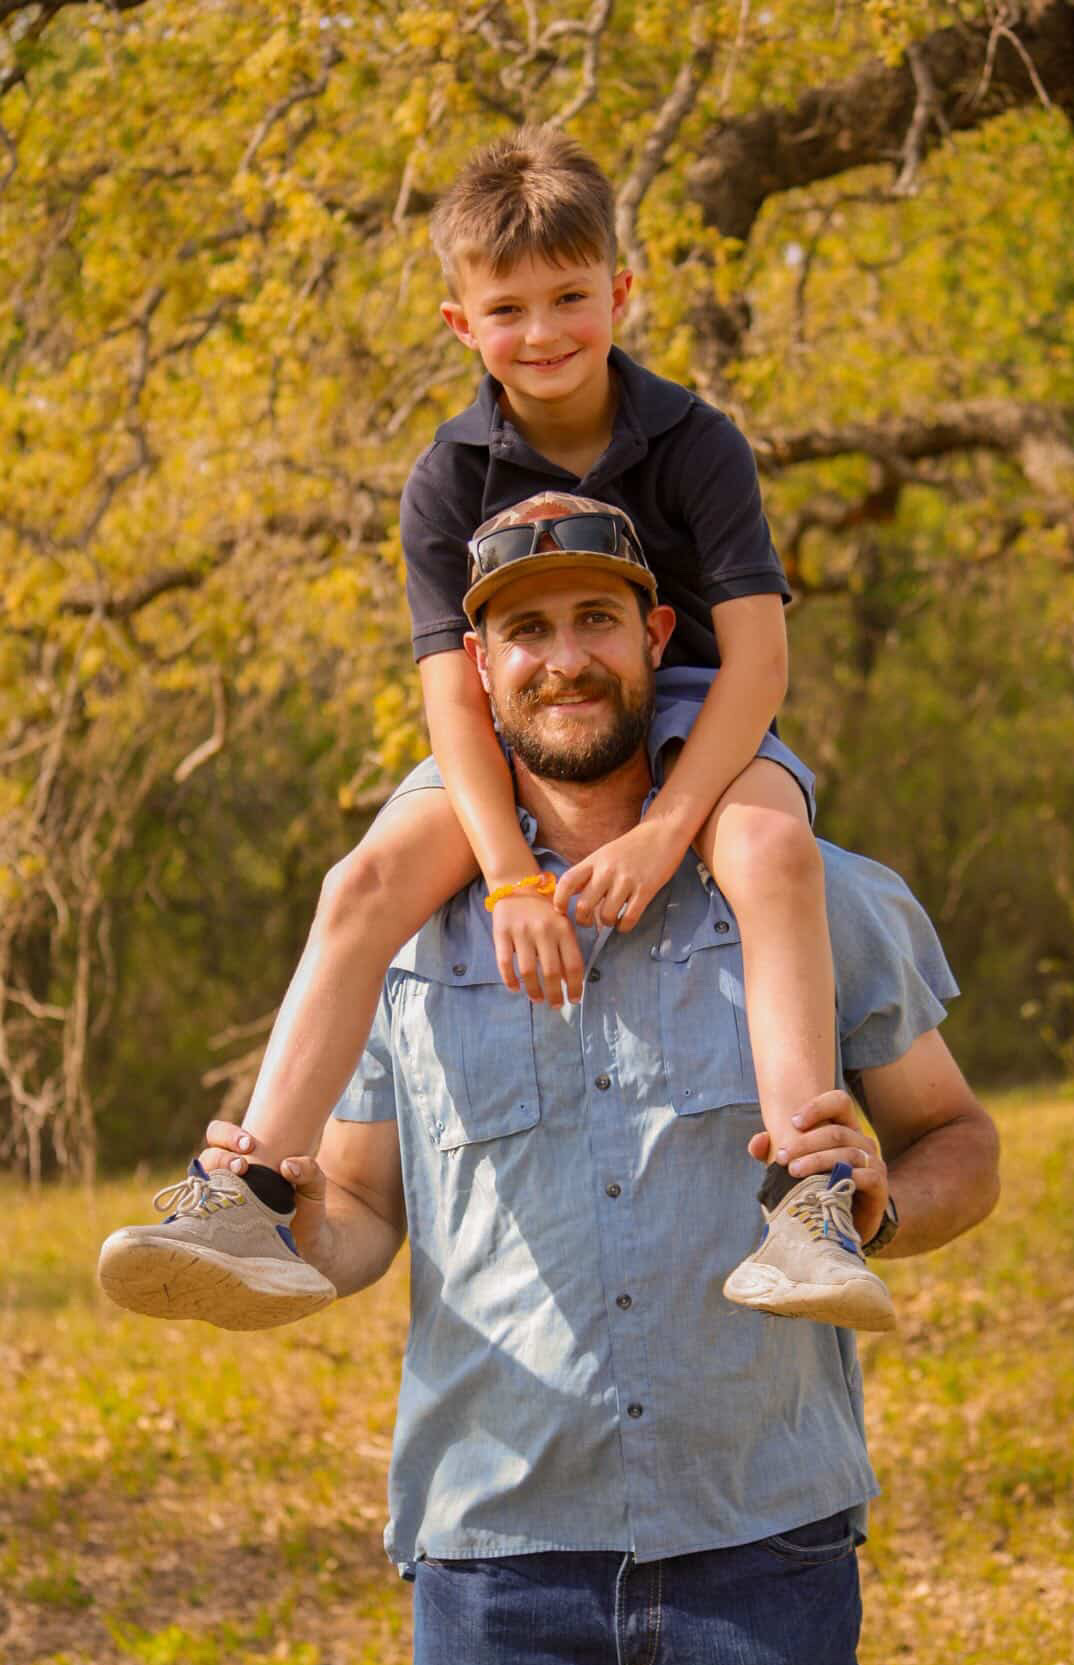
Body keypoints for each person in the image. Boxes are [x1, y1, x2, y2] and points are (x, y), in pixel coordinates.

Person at [190, 531, 999, 1665]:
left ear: (657, 640)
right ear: (477, 665)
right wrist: (290, 1219)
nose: (564, 659)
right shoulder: (397, 939)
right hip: (499, 1568)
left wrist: (882, 1207)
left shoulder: (816, 896)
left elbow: (960, 1138)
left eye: (595, 620)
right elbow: (358, 1208)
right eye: (526, 630)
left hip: (762, 1545)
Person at [105, 124, 856, 1329]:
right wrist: (510, 875)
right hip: (518, 714)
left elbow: (760, 658)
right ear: (462, 325)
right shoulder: (447, 476)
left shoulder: (698, 443)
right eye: (508, 308)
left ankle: (809, 1194)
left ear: (621, 290)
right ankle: (240, 1184)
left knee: (771, 854)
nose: (546, 331)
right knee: (359, 883)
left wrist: (668, 832)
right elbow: (453, 692)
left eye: (571, 296)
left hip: (688, 703)